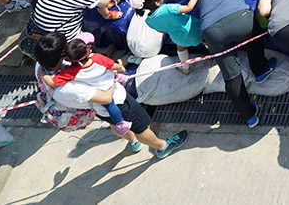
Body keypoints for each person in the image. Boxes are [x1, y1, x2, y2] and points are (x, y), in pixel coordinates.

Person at [33, 31, 188, 158]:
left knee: (115, 124)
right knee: (142, 127)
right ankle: (162, 147)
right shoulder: (67, 88)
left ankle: (133, 141)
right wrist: (110, 76)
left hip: (100, 110)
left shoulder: (42, 65)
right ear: (61, 56)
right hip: (117, 102)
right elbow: (106, 97)